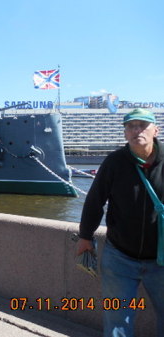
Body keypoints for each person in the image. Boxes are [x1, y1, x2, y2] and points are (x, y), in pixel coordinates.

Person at [76, 108, 164, 337]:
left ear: (156, 130)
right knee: (117, 320)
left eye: (143, 125)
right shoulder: (114, 162)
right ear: (125, 133)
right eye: (131, 126)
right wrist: (85, 236)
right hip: (120, 257)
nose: (137, 131)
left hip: (161, 257)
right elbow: (95, 200)